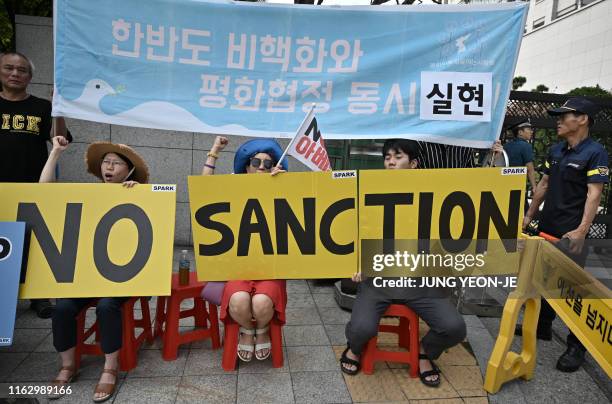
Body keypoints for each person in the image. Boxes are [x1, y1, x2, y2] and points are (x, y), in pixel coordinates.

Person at [340, 139, 467, 387]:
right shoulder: (370, 190)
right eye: (387, 156)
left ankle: (424, 352)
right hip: (377, 280)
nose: (390, 161)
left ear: (414, 164)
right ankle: (354, 348)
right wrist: (357, 262)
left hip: (421, 282)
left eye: (397, 157)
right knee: (362, 330)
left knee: (454, 328)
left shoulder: (434, 194)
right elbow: (353, 232)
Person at [40, 138, 149, 401]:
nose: (109, 167)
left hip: (122, 277)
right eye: (106, 162)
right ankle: (67, 365)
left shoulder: (137, 191)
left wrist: (141, 192)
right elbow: (42, 193)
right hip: (86, 275)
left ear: (129, 170)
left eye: (116, 163)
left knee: (107, 306)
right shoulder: (86, 194)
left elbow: (163, 195)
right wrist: (55, 152)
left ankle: (110, 368)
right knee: (63, 307)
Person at [517, 97, 609, 372]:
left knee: (572, 289)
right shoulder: (556, 150)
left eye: (563, 115)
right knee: (543, 278)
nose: (558, 120)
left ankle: (576, 346)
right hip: (547, 226)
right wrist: (529, 215)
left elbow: (594, 195)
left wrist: (581, 231)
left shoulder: (596, 153)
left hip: (571, 232)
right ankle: (543, 326)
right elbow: (543, 184)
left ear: (582, 119)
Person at [202, 135, 287, 363]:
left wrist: (287, 185)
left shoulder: (282, 186)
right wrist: (214, 150)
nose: (261, 167)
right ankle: (249, 332)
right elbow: (204, 190)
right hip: (238, 266)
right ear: (247, 167)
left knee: (261, 303)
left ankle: (262, 330)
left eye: (267, 163)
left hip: (270, 266)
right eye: (256, 162)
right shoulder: (233, 185)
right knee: (238, 300)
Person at [0, 51, 72, 319]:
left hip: (33, 184)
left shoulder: (42, 108)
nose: (15, 74)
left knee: (35, 242)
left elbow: (61, 139)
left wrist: (59, 110)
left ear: (30, 77)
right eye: (9, 68)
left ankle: (39, 296)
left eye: (22, 70)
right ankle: (5, 296)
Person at [503, 119, 538, 201]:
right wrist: (534, 187)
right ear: (520, 132)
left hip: (504, 184)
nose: (531, 132)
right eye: (528, 129)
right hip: (518, 185)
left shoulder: (506, 146)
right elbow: (529, 169)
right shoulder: (526, 146)